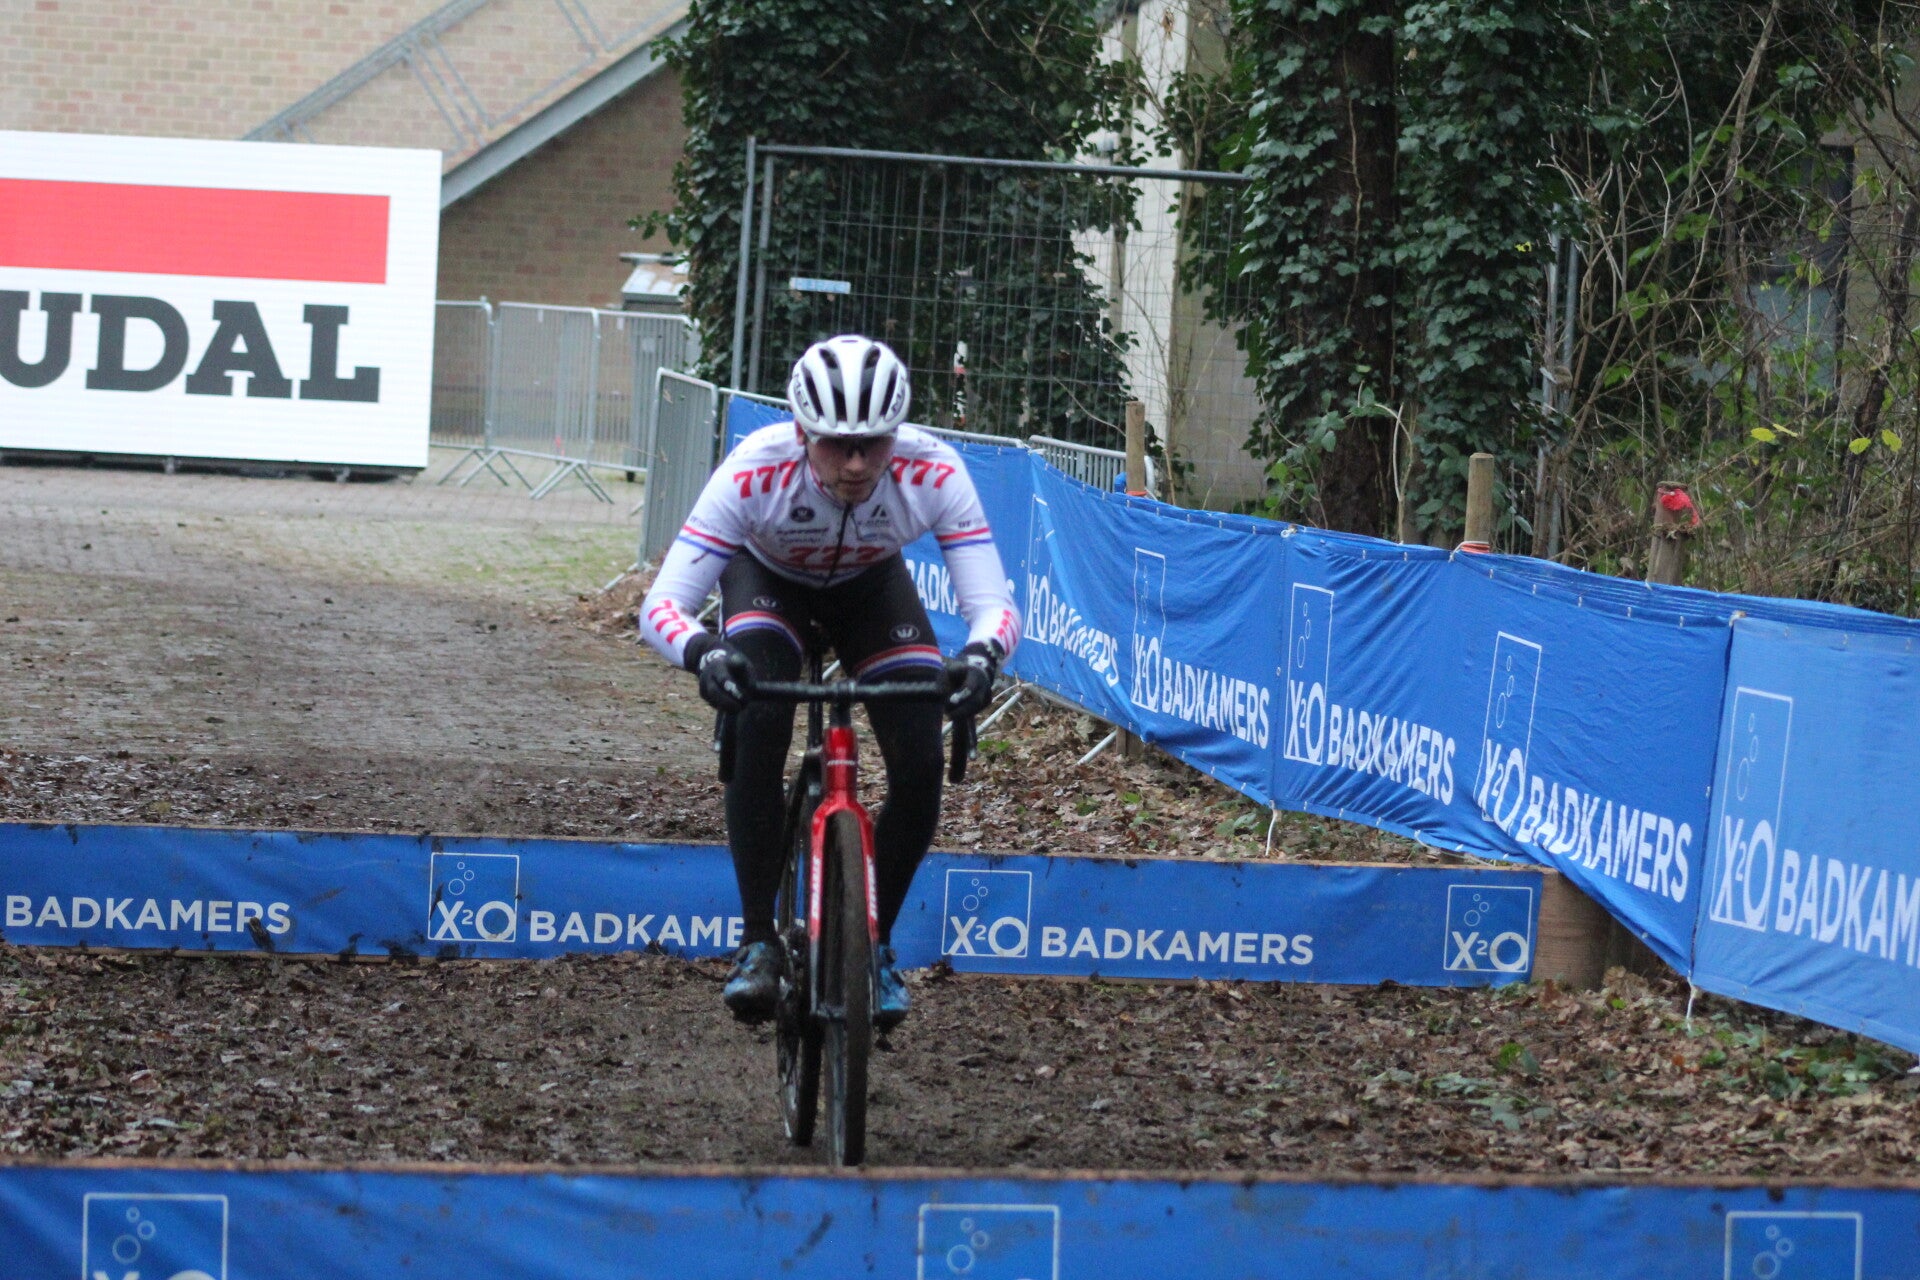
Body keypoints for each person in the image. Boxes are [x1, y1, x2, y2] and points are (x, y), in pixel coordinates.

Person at [638, 335, 1021, 1028]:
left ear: (896, 433)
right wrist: (704, 654)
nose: (856, 464)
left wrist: (981, 656)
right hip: (768, 580)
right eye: (836, 445)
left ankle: (873, 946)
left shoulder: (934, 470)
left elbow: (992, 603)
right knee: (758, 716)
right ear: (800, 432)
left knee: (921, 758)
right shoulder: (754, 471)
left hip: (870, 587)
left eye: (873, 444)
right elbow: (662, 604)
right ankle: (758, 939)